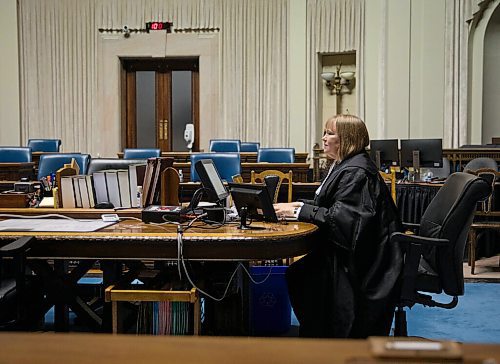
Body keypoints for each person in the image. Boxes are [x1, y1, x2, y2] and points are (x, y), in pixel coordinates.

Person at [274, 114, 402, 338]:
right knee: (300, 273)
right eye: (324, 132)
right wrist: (298, 205)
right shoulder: (345, 165)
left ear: (347, 139)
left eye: (330, 133)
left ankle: (325, 337)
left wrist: (297, 212)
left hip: (368, 260)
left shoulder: (356, 171)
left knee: (301, 275)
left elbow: (344, 221)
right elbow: (333, 205)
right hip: (360, 250)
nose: (323, 138)